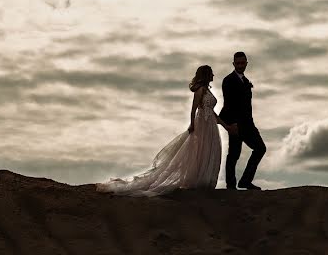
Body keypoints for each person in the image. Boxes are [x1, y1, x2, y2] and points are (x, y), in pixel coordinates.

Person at [96, 65, 236, 196]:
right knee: (198, 151)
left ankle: (204, 182)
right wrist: (192, 125)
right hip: (202, 125)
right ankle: (197, 182)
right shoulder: (200, 90)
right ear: (206, 75)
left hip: (210, 125)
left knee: (208, 151)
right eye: (211, 73)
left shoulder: (208, 90)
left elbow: (212, 113)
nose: (213, 75)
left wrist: (225, 126)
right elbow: (194, 109)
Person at [220, 51, 266, 190]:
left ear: (246, 63)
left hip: (248, 123)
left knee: (260, 148)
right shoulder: (228, 80)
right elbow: (229, 103)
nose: (240, 65)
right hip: (235, 124)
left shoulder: (246, 81)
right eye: (238, 63)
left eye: (242, 62)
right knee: (234, 154)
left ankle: (245, 181)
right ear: (233, 64)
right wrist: (231, 124)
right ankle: (231, 184)